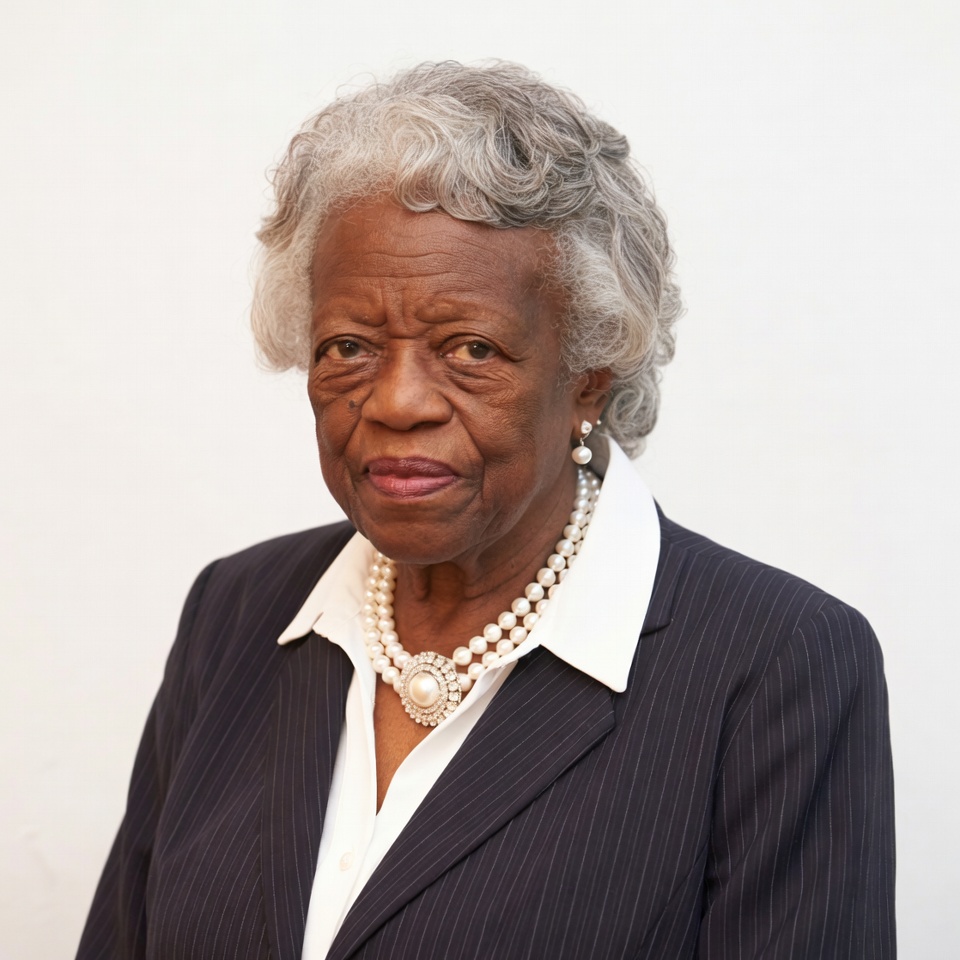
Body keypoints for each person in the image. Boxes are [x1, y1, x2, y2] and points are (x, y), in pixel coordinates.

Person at [76, 61, 895, 959]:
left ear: (590, 374)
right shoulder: (235, 612)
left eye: (470, 348)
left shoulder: (774, 665)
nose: (396, 402)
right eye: (348, 346)